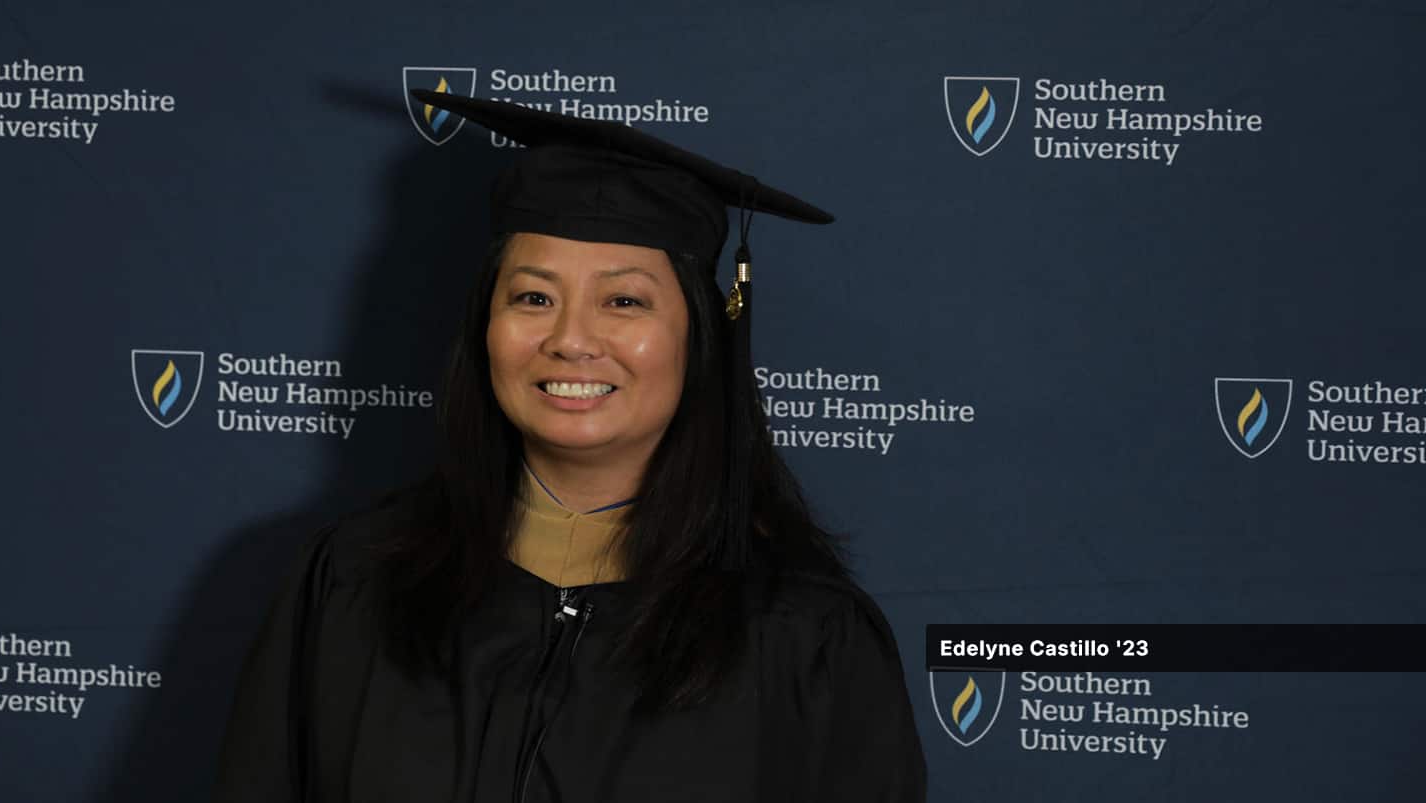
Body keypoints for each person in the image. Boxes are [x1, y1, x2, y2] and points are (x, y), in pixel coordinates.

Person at [211, 91, 926, 802]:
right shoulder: (353, 584)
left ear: (700, 337)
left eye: (624, 301)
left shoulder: (805, 635)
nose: (571, 340)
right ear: (483, 327)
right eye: (533, 297)